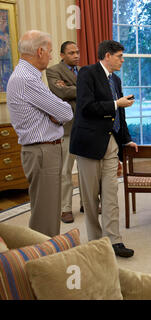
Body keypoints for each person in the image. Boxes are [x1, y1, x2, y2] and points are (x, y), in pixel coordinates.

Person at [70, 40, 137, 258]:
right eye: (119, 56)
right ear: (107, 56)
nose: (122, 60)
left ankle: (114, 241)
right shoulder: (87, 74)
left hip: (110, 143)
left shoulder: (115, 79)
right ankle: (96, 243)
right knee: (91, 199)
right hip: (88, 144)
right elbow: (86, 108)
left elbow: (120, 115)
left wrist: (126, 140)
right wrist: (116, 104)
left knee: (110, 195)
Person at [6, 30, 73, 237]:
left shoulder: (26, 76)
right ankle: (42, 259)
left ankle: (43, 255)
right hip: (43, 151)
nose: (51, 56)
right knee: (46, 216)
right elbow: (66, 111)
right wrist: (55, 113)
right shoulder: (27, 79)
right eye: (51, 51)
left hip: (44, 150)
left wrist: (54, 113)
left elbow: (59, 112)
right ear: (40, 51)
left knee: (48, 210)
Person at [46, 41, 82, 224]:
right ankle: (66, 208)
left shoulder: (84, 71)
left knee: (86, 169)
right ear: (62, 55)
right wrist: (81, 90)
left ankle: (88, 202)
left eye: (77, 52)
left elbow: (71, 91)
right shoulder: (53, 71)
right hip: (67, 128)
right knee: (65, 171)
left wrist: (70, 89)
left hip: (85, 127)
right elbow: (60, 93)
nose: (76, 55)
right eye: (71, 53)